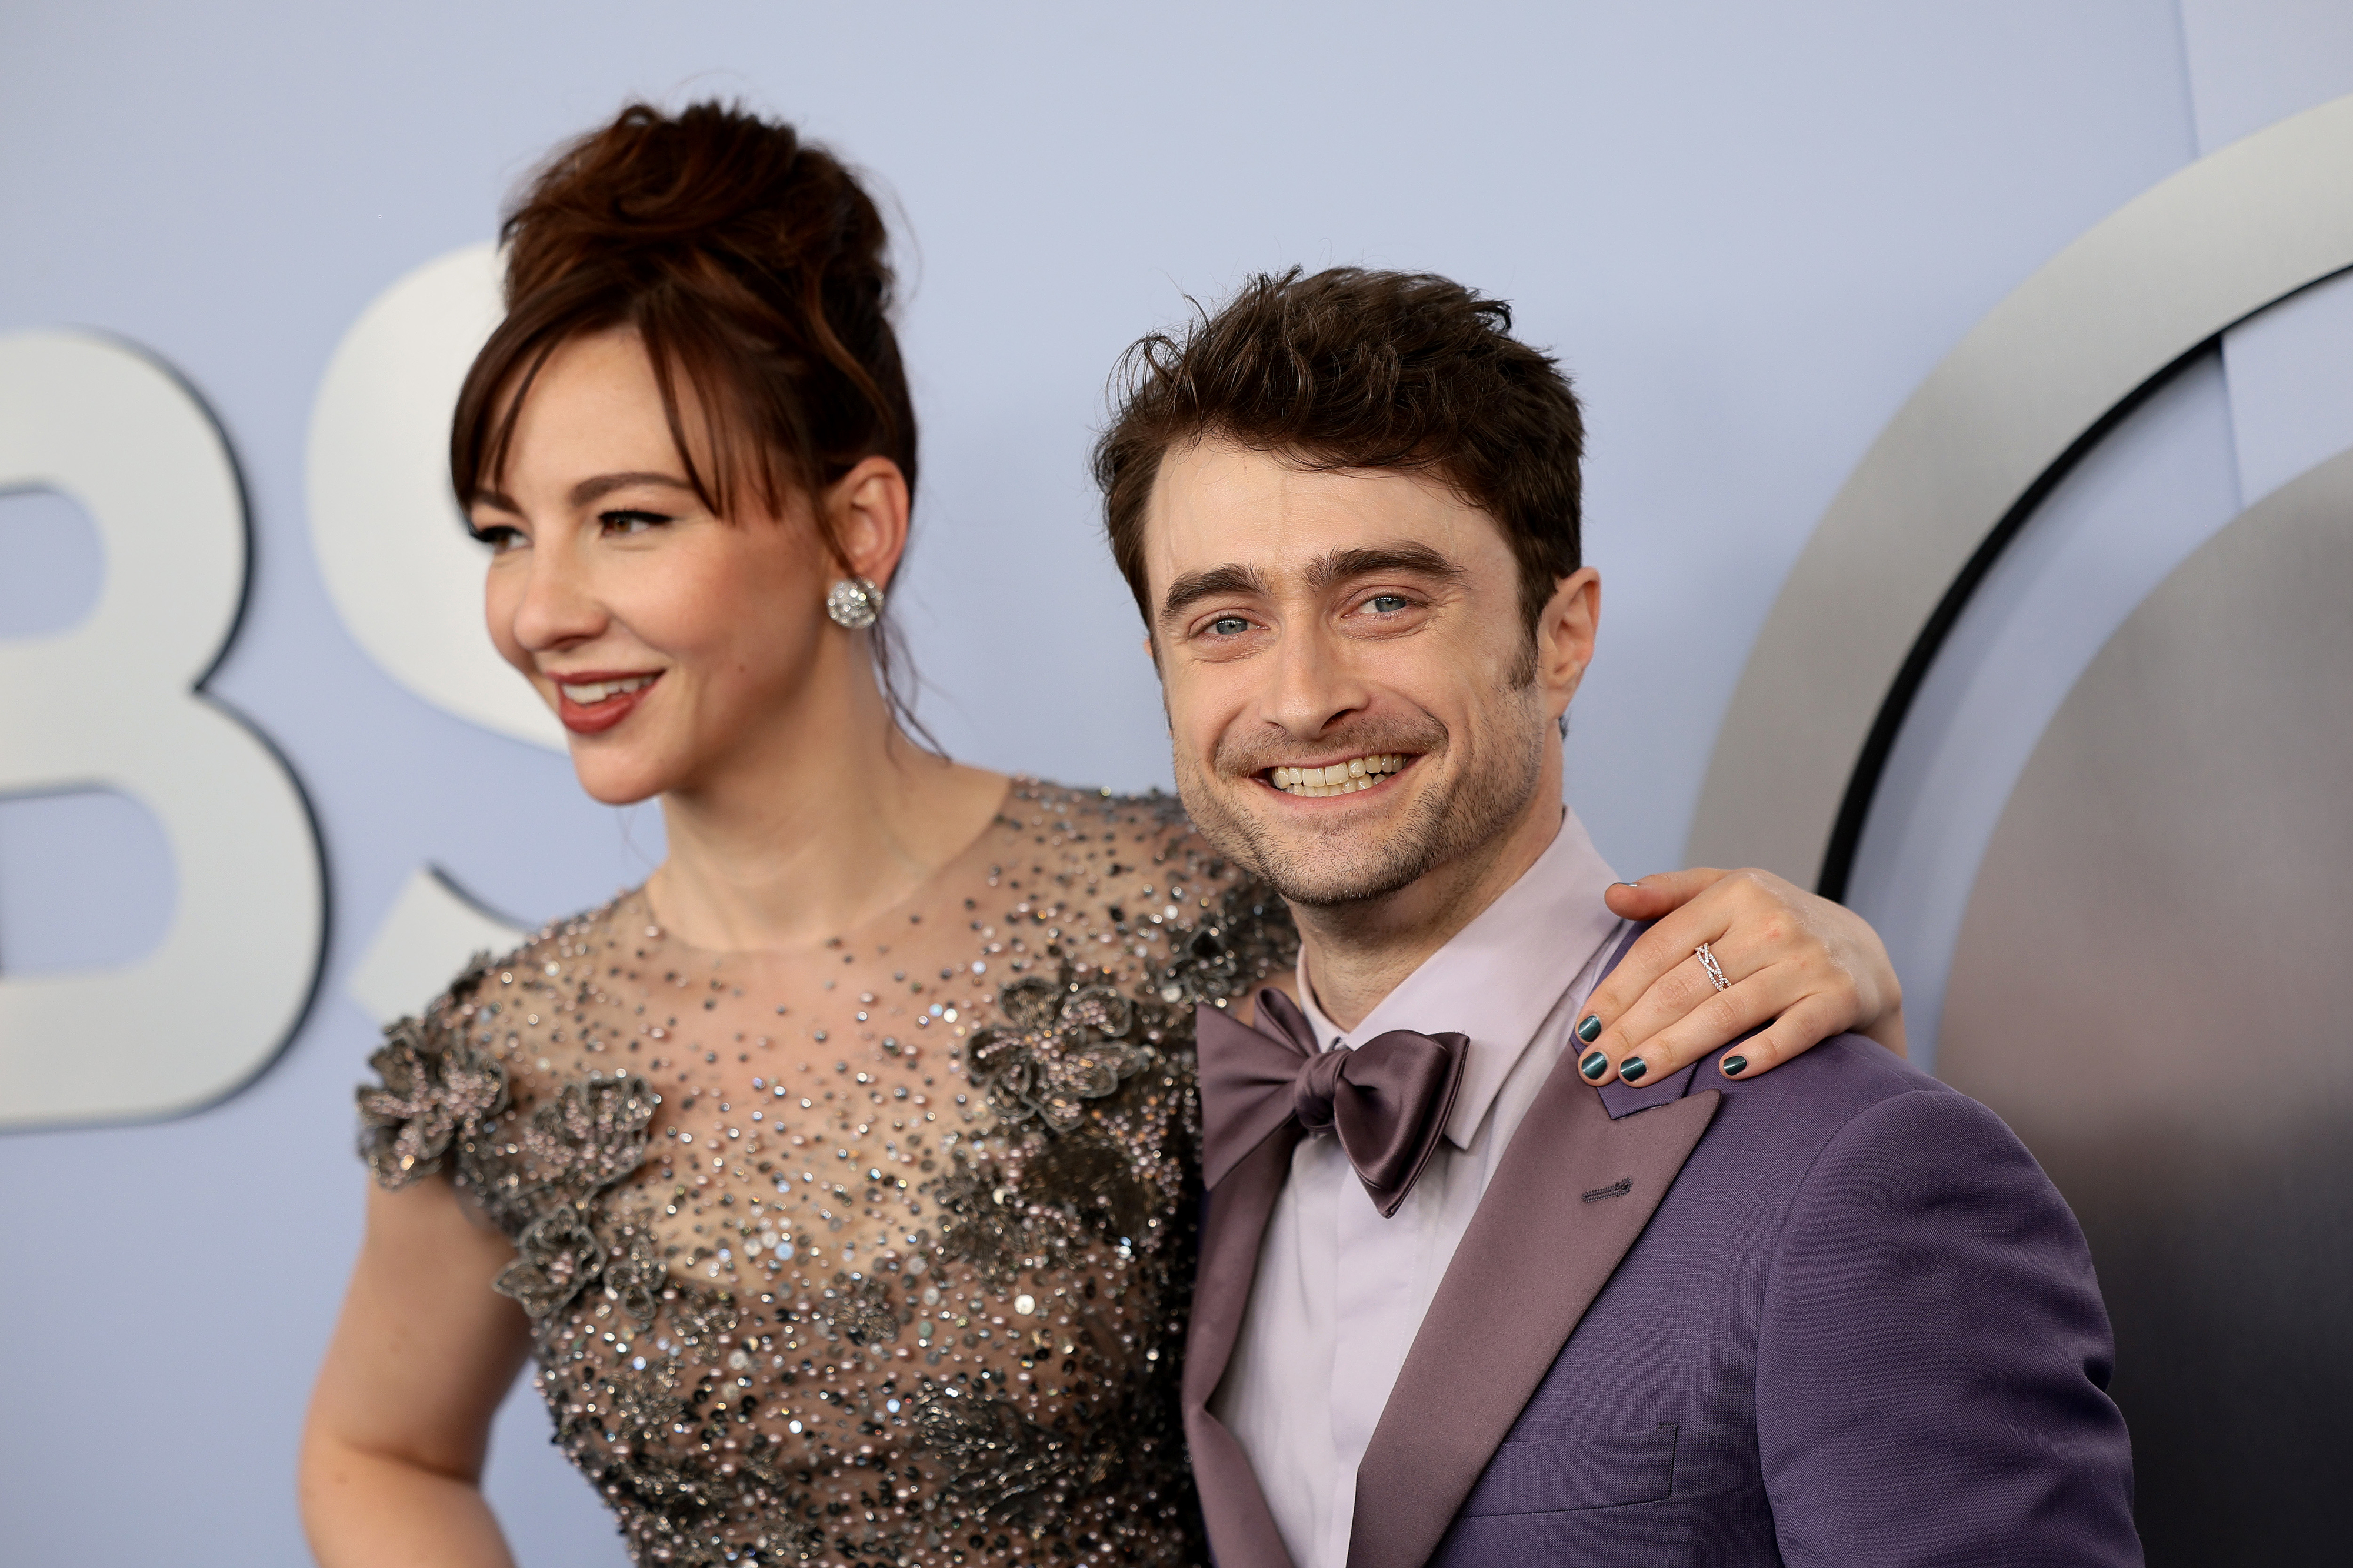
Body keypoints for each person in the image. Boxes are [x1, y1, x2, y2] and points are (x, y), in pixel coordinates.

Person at [299, 105, 1914, 1568]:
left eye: (629, 518)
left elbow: (1541, 1053)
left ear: (858, 525)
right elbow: (378, 1448)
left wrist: (1830, 956)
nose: (539, 607)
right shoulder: (499, 1060)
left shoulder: (1204, 903)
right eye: (506, 533)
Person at [1088, 266, 2142, 1567]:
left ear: (1563, 633)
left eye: (1383, 602)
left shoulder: (1862, 1167)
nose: (1300, 698)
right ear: (1160, 669)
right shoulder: (1147, 1160)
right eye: (1226, 621)